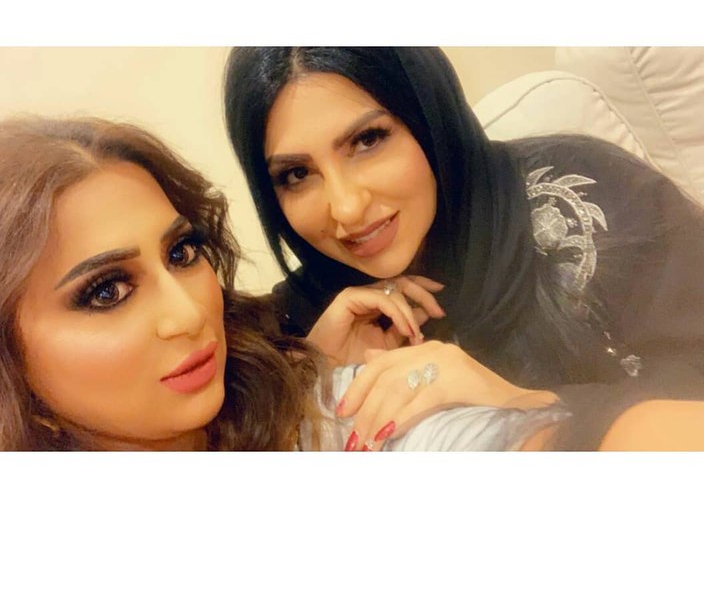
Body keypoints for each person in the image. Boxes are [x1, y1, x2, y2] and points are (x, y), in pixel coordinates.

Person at [0, 115, 576, 451]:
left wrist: (536, 411)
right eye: (106, 291)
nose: (188, 314)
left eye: (182, 253)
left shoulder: (329, 413)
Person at [223, 47, 704, 450]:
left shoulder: (590, 198)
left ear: (430, 117)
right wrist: (309, 389)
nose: (346, 207)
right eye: (297, 174)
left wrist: (523, 405)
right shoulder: (299, 327)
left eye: (368, 140)